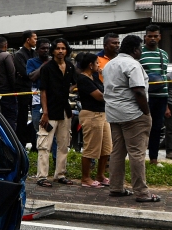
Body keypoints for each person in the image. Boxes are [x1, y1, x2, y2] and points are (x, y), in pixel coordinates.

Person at [103, 34, 159, 202]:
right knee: (137, 153)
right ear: (135, 50)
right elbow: (139, 91)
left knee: (117, 152)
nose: (141, 51)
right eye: (140, 48)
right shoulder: (133, 65)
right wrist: (146, 113)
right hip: (133, 114)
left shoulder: (109, 64)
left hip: (114, 113)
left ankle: (116, 187)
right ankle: (142, 192)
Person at [34, 38, 77, 187]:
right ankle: (42, 176)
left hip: (65, 110)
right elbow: (43, 91)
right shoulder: (47, 68)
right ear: (53, 51)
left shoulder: (70, 67)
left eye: (63, 48)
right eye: (58, 48)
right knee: (44, 144)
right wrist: (45, 112)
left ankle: (60, 174)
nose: (60, 51)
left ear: (67, 50)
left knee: (64, 144)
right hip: (49, 111)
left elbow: (76, 82)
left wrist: (69, 90)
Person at [75, 52, 110, 188]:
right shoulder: (83, 79)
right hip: (91, 114)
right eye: (96, 63)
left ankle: (100, 175)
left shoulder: (94, 76)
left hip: (102, 114)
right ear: (90, 65)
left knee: (106, 147)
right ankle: (85, 178)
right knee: (91, 148)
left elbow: (105, 88)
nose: (98, 65)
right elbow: (99, 96)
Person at [137, 24, 169, 165]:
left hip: (162, 96)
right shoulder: (139, 53)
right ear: (145, 37)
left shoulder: (164, 54)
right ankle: (139, 158)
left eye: (155, 36)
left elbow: (164, 76)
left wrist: (167, 104)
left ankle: (154, 159)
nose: (153, 39)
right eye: (150, 36)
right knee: (142, 127)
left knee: (157, 128)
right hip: (145, 96)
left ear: (160, 37)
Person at [12, 30, 38, 144]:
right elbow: (24, 72)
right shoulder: (19, 55)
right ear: (28, 40)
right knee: (22, 117)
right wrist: (35, 73)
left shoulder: (35, 53)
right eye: (34, 38)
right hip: (22, 89)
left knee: (36, 116)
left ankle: (34, 142)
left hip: (35, 89)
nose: (36, 40)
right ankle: (21, 143)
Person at [0, 37, 17, 132]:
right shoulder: (6, 55)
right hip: (8, 92)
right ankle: (11, 143)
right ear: (6, 45)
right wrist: (14, 89)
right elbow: (12, 73)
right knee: (10, 118)